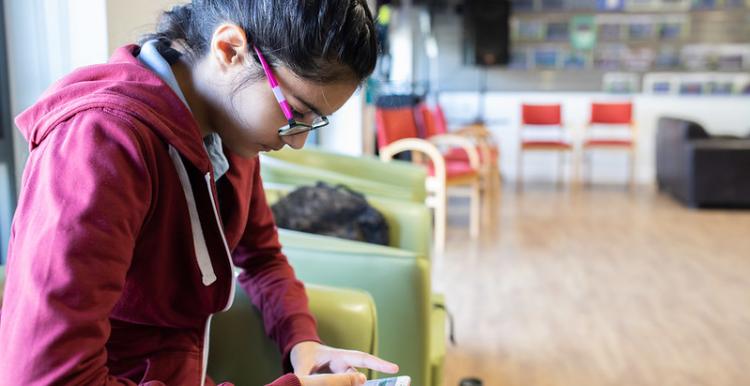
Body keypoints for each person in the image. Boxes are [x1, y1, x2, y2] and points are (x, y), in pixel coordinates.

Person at [0, 1, 399, 385]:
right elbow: (44, 378)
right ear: (229, 49)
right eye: (295, 113)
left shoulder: (228, 131)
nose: (296, 143)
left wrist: (301, 339)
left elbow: (262, 258)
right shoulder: (99, 144)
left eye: (315, 122)